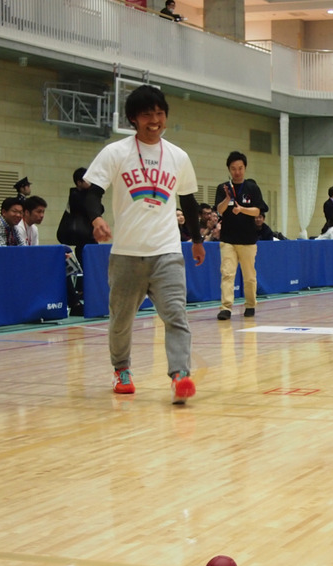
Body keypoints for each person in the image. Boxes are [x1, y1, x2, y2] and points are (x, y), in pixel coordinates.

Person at [82, 84, 204, 403]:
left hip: (167, 251)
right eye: (147, 113)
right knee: (121, 320)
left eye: (160, 113)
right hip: (126, 254)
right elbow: (90, 192)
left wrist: (197, 240)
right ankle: (121, 368)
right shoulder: (116, 152)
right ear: (133, 119)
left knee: (176, 315)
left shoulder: (178, 156)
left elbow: (189, 202)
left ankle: (180, 374)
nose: (155, 119)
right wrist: (96, 219)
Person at [214, 150, 268, 321]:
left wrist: (241, 209)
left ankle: (250, 304)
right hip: (228, 239)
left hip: (247, 240)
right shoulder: (223, 188)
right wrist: (227, 198)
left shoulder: (252, 188)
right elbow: (219, 210)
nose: (237, 172)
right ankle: (226, 308)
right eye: (233, 168)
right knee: (227, 274)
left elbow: (258, 210)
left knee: (249, 276)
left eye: (240, 168)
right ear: (229, 169)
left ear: (245, 168)